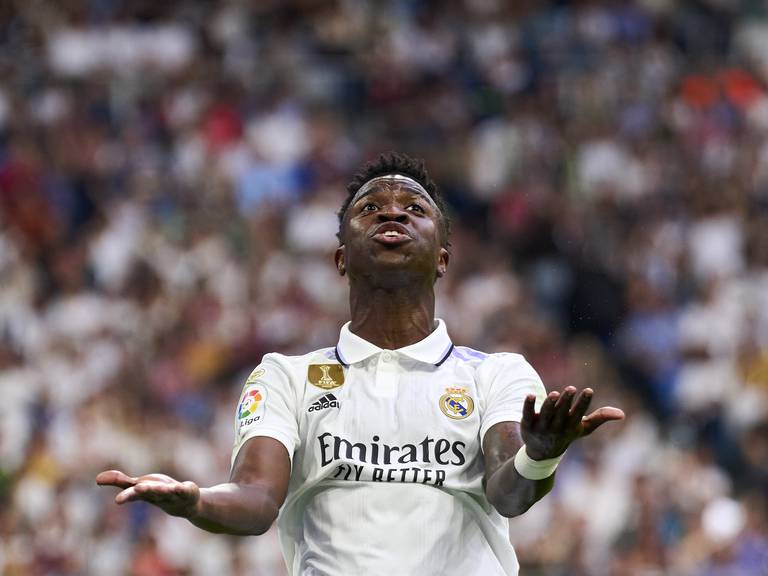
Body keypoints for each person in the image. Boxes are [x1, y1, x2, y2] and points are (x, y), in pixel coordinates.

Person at [97, 152, 625, 575]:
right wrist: (198, 502)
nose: (393, 212)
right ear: (341, 257)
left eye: (414, 209)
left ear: (442, 256)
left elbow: (509, 493)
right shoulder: (285, 376)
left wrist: (539, 456)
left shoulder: (496, 374)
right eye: (370, 208)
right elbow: (257, 498)